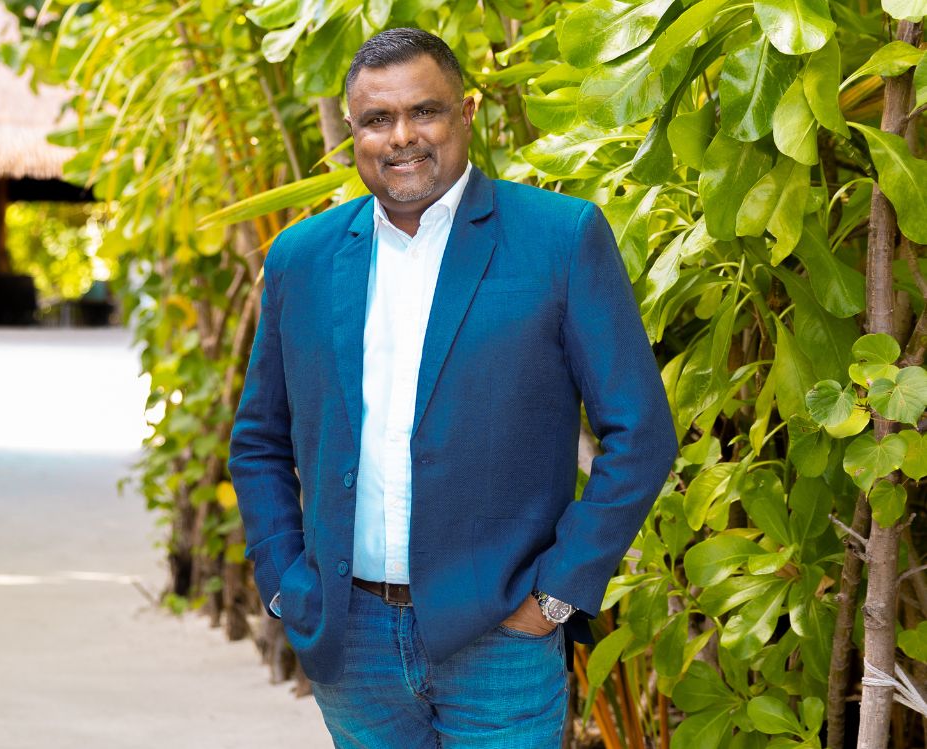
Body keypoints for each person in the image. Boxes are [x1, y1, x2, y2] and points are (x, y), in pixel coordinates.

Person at [229, 27, 677, 748]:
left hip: (500, 634)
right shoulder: (300, 258)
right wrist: (286, 583)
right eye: (378, 119)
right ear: (353, 133)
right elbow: (258, 441)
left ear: (466, 113)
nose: (402, 137)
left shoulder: (559, 238)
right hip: (351, 641)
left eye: (424, 111)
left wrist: (556, 594)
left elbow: (641, 434)